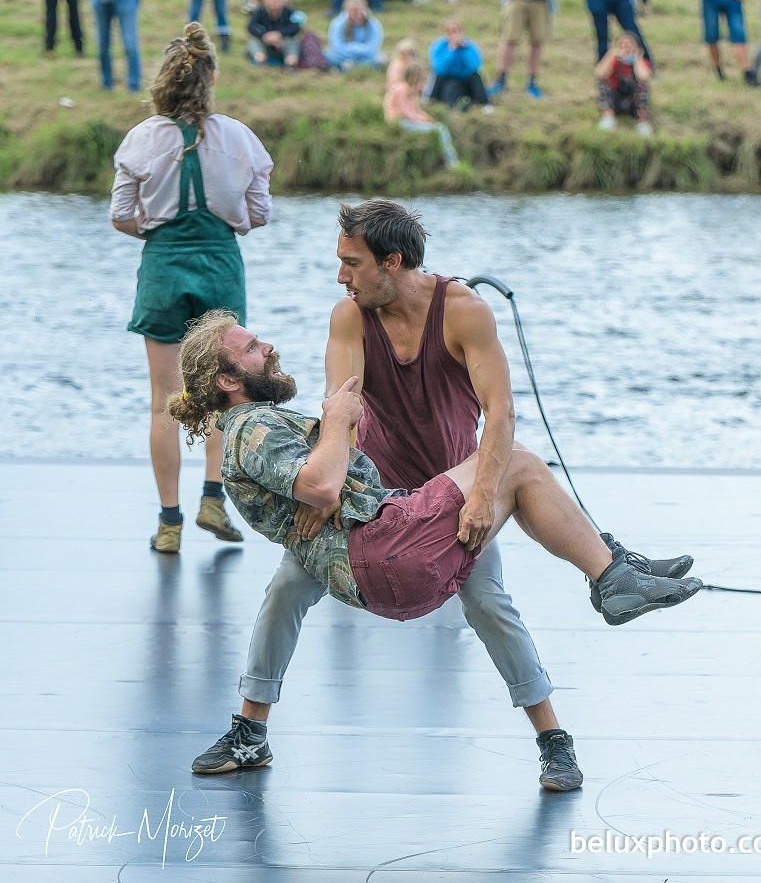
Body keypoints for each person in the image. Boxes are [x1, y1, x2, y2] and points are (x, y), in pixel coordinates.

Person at [176, 243, 699, 778]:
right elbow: (342, 402)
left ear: (392, 261)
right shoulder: (351, 318)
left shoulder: (461, 312)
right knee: (285, 589)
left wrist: (481, 492)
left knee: (489, 601)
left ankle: (553, 737)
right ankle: (249, 731)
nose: (341, 277)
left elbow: (501, 411)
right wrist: (325, 493)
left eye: (352, 264)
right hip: (374, 496)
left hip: (457, 484)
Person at [110, 22, 273, 553]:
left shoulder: (140, 138)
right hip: (220, 266)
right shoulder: (240, 137)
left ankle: (168, 524)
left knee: (163, 401)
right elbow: (257, 215)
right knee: (227, 394)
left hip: (162, 268)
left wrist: (153, 230)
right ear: (210, 81)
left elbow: (121, 216)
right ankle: (213, 498)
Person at [383, 59, 459, 169]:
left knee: (440, 128)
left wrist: (427, 118)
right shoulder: (401, 89)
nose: (421, 81)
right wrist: (422, 120)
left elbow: (415, 110)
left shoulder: (409, 90)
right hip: (399, 121)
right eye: (419, 77)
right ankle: (452, 163)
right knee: (440, 130)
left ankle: (450, 162)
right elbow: (405, 112)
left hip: (406, 120)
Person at [595, 31, 652, 135]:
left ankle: (643, 122)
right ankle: (608, 117)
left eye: (629, 45)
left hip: (633, 101)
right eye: (621, 45)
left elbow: (644, 76)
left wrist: (637, 58)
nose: (625, 48)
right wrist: (610, 56)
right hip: (616, 98)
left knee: (642, 85)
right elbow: (599, 73)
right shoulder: (614, 61)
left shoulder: (641, 62)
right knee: (604, 82)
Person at [428, 19, 492, 110]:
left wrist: (465, 50)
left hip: (466, 79)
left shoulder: (470, 46)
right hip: (448, 79)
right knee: (449, 89)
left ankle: (485, 104)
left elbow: (475, 67)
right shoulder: (439, 46)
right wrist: (451, 50)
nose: (453, 35)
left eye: (455, 31)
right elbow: (439, 69)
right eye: (450, 32)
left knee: (476, 77)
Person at [247, 0, 303, 68]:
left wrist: (279, 34)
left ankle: (291, 63)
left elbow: (296, 27)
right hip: (265, 43)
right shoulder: (259, 12)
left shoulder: (288, 12)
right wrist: (266, 36)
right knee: (254, 41)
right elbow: (251, 27)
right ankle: (260, 61)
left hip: (282, 43)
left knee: (293, 40)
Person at [326, 0, 384, 69]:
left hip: (366, 56)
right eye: (352, 11)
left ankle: (349, 67)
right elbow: (336, 47)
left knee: (380, 59)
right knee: (328, 56)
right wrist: (354, 51)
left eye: (359, 11)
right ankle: (352, 66)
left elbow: (373, 47)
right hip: (342, 57)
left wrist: (355, 50)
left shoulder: (373, 24)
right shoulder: (338, 23)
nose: (356, 14)